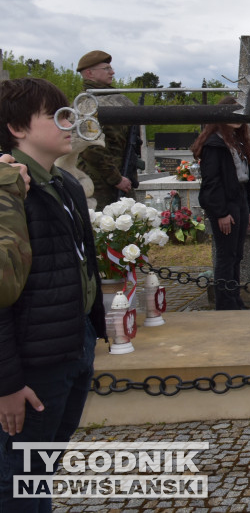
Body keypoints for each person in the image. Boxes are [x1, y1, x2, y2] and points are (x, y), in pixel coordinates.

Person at [0, 77, 107, 509]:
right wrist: (7, 382)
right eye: (57, 115)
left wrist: (91, 334)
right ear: (17, 127)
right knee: (19, 481)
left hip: (71, 343)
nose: (71, 123)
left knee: (41, 471)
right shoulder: (10, 191)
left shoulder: (63, 184)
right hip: (32, 359)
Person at [192, 96, 250, 310]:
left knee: (236, 254)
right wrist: (220, 213)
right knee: (226, 255)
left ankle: (234, 298)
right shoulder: (215, 143)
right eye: (233, 113)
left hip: (239, 200)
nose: (238, 118)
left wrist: (249, 209)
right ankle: (225, 303)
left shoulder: (236, 140)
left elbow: (247, 177)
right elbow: (211, 183)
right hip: (225, 203)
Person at [75, 50, 138, 210]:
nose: (112, 72)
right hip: (100, 184)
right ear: (89, 73)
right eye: (106, 68)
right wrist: (116, 178)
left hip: (118, 176)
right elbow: (90, 148)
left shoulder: (111, 98)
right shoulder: (87, 103)